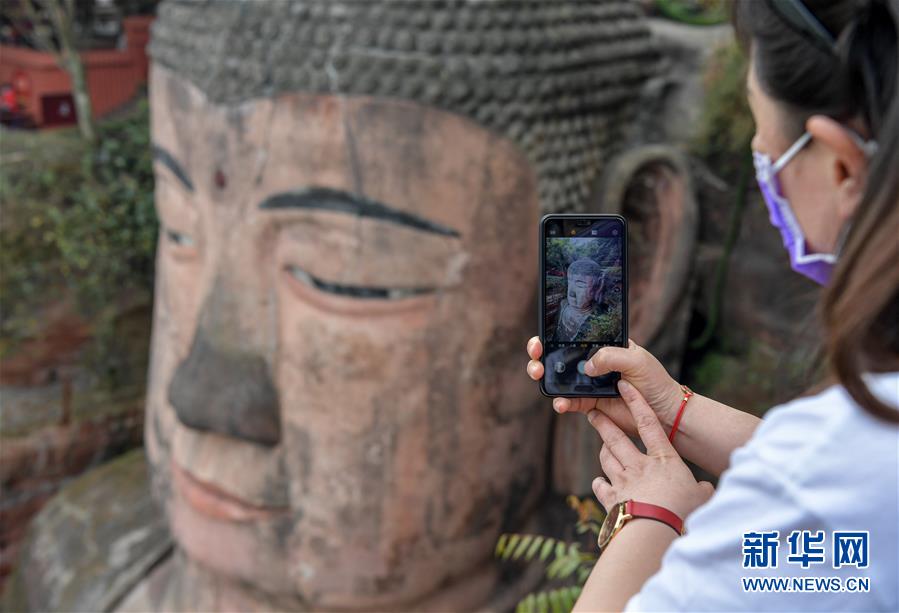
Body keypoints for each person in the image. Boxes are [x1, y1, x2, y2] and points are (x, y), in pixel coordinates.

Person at [527, 0, 898, 610]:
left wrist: (649, 516)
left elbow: (823, 485)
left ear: (840, 168)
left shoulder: (813, 486)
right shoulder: (851, 454)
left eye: (764, 133)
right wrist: (672, 408)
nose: (759, 154)